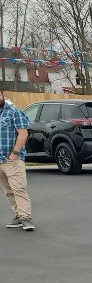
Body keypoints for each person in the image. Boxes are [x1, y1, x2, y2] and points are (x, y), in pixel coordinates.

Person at [0, 90, 33, 232]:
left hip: (11, 159)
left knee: (18, 188)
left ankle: (26, 218)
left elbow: (23, 133)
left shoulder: (13, 111)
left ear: (2, 95)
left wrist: (15, 153)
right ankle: (18, 216)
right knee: (8, 191)